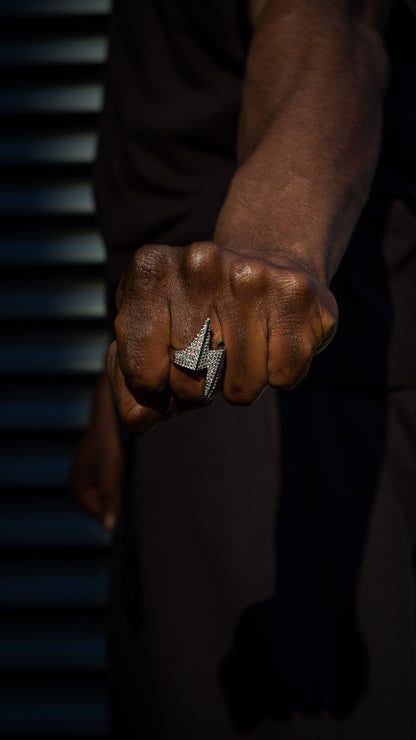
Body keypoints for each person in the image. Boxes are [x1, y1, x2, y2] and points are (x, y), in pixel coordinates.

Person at [70, 0, 416, 737]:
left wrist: (269, 249)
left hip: (272, 391)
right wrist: (121, 385)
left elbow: (326, 31)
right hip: (196, 388)